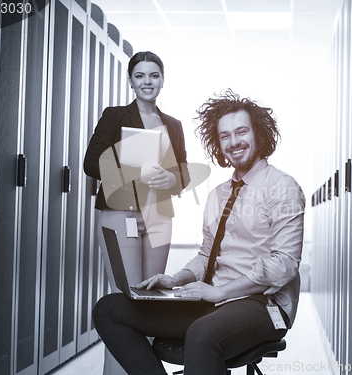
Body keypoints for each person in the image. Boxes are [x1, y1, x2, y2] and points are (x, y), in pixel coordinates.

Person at [92, 89, 305, 375]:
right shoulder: (218, 194)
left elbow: (284, 266)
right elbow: (207, 254)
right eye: (224, 136)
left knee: (202, 334)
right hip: (213, 300)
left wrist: (219, 292)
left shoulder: (282, 187)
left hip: (262, 304)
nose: (233, 142)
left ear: (259, 135)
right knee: (109, 308)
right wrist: (175, 278)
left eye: (241, 132)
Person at [84, 51, 190, 374]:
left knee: (149, 302)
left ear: (162, 80)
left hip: (158, 214)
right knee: (125, 302)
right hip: (121, 214)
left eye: (153, 75)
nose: (147, 82)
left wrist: (173, 178)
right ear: (131, 81)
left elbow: (183, 172)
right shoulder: (115, 116)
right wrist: (132, 170)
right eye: (140, 75)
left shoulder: (173, 124)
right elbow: (91, 163)